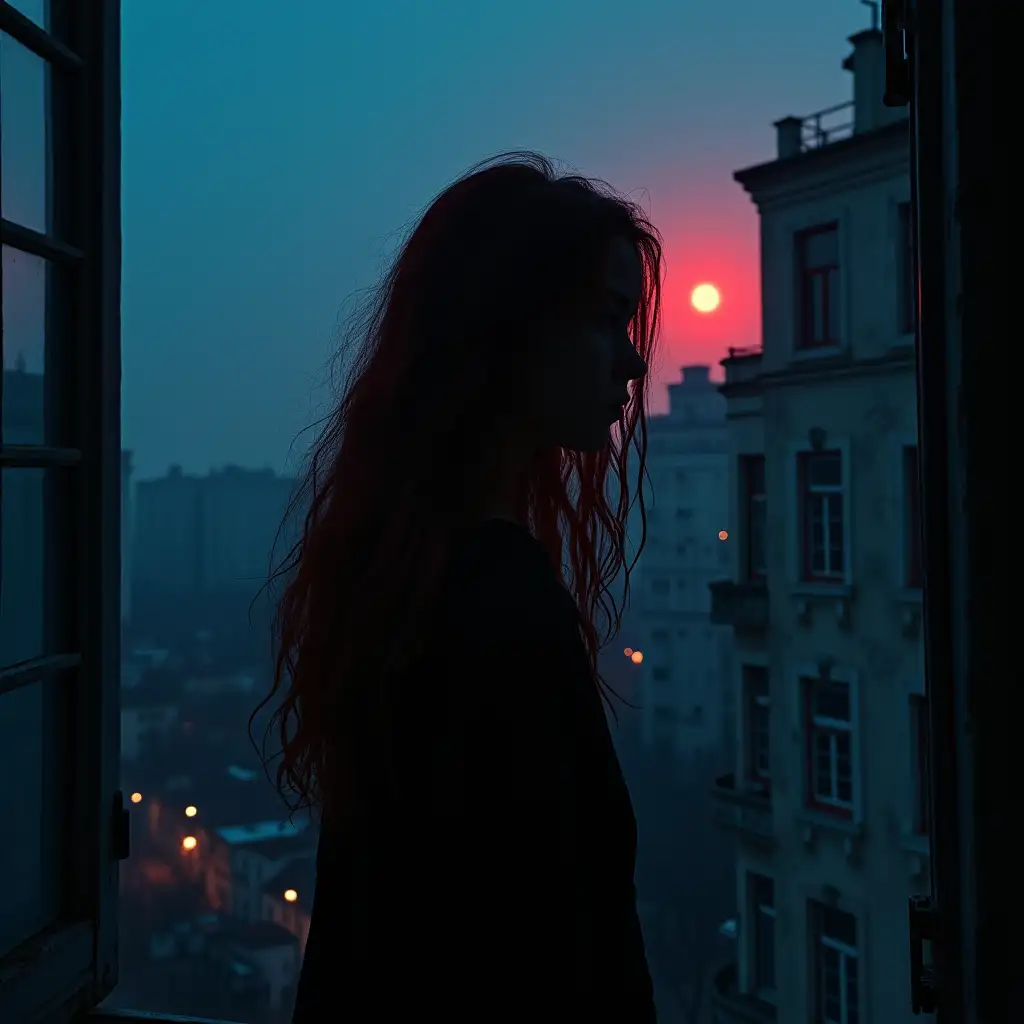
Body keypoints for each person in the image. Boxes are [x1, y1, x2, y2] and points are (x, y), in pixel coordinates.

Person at [255, 151, 662, 1021]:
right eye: (606, 319)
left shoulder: (407, 579)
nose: (632, 365)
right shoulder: (496, 606)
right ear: (507, 330)